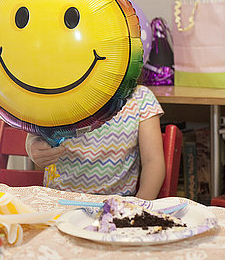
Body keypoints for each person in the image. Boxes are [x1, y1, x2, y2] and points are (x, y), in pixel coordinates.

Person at [25, 85, 165, 199]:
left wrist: (139, 206)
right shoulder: (55, 94)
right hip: (58, 202)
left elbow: (153, 161)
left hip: (117, 206)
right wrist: (33, 147)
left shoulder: (140, 97)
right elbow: (35, 136)